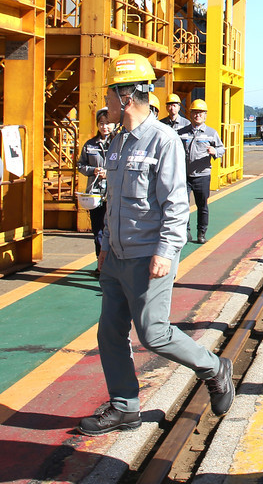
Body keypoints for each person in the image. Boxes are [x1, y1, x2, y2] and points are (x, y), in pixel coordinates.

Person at [78, 54, 234, 435]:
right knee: (109, 333)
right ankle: (125, 406)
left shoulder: (162, 141)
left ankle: (213, 368)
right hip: (116, 255)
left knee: (154, 333)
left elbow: (177, 205)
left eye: (112, 94)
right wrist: (103, 247)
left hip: (149, 256)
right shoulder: (117, 140)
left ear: (126, 96)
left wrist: (166, 252)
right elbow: (114, 200)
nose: (108, 102)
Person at [179, 99, 225, 244]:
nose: (197, 115)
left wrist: (214, 151)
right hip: (184, 176)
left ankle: (201, 233)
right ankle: (186, 232)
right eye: (195, 112)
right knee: (182, 205)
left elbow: (222, 148)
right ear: (190, 114)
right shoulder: (181, 133)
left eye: (200, 113)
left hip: (202, 176)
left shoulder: (211, 133)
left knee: (202, 206)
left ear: (205, 115)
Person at [77, 108, 114, 265]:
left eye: (107, 123)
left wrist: (110, 173)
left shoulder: (119, 143)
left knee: (112, 230)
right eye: (101, 123)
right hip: (96, 194)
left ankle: (113, 264)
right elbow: (80, 165)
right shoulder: (90, 145)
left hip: (113, 193)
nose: (104, 127)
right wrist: (93, 170)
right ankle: (100, 262)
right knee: (98, 230)